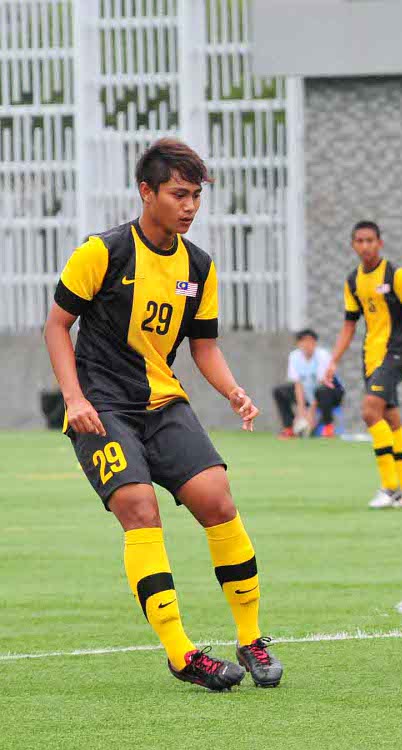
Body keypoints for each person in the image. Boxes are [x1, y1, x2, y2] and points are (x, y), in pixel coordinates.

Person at [42, 138, 282, 691]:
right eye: (179, 194)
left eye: (196, 195)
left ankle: (250, 638)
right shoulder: (101, 252)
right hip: (102, 407)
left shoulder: (199, 265)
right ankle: (181, 653)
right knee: (139, 507)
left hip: (162, 403)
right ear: (146, 192)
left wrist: (232, 391)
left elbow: (204, 347)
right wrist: (74, 399)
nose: (190, 206)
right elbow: (57, 326)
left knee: (218, 499)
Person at [323, 220, 402, 508]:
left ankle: (390, 487)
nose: (365, 246)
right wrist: (333, 361)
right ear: (353, 245)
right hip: (370, 356)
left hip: (395, 352)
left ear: (380, 243)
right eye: (359, 241)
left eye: (370, 240)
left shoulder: (397, 275)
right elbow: (349, 325)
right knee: (391, 420)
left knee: (370, 411)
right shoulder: (352, 281)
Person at [273, 328, 344, 438]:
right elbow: (298, 384)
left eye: (310, 341)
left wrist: (311, 414)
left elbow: (322, 384)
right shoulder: (294, 356)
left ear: (315, 343)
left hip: (330, 394)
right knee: (279, 391)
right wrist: (301, 414)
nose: (307, 344)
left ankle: (328, 428)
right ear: (298, 343)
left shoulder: (323, 355)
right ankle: (289, 428)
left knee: (322, 391)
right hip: (307, 393)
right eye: (303, 341)